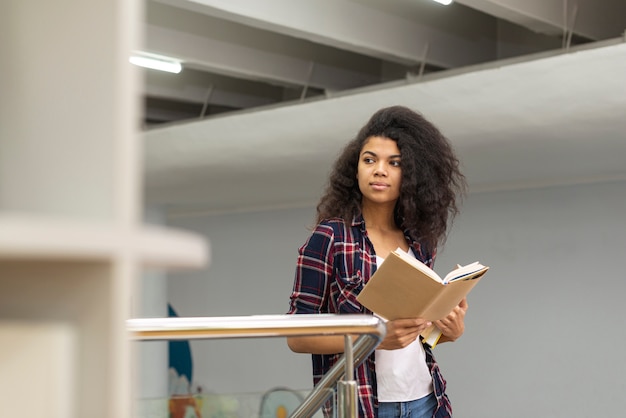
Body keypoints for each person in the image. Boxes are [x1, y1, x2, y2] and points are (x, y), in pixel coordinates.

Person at [286, 105, 468, 418]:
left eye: (393, 163)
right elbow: (296, 335)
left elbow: (415, 334)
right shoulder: (331, 237)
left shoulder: (420, 241)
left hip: (427, 399)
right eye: (369, 159)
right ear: (355, 168)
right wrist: (373, 338)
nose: (379, 170)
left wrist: (447, 331)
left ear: (410, 174)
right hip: (365, 407)